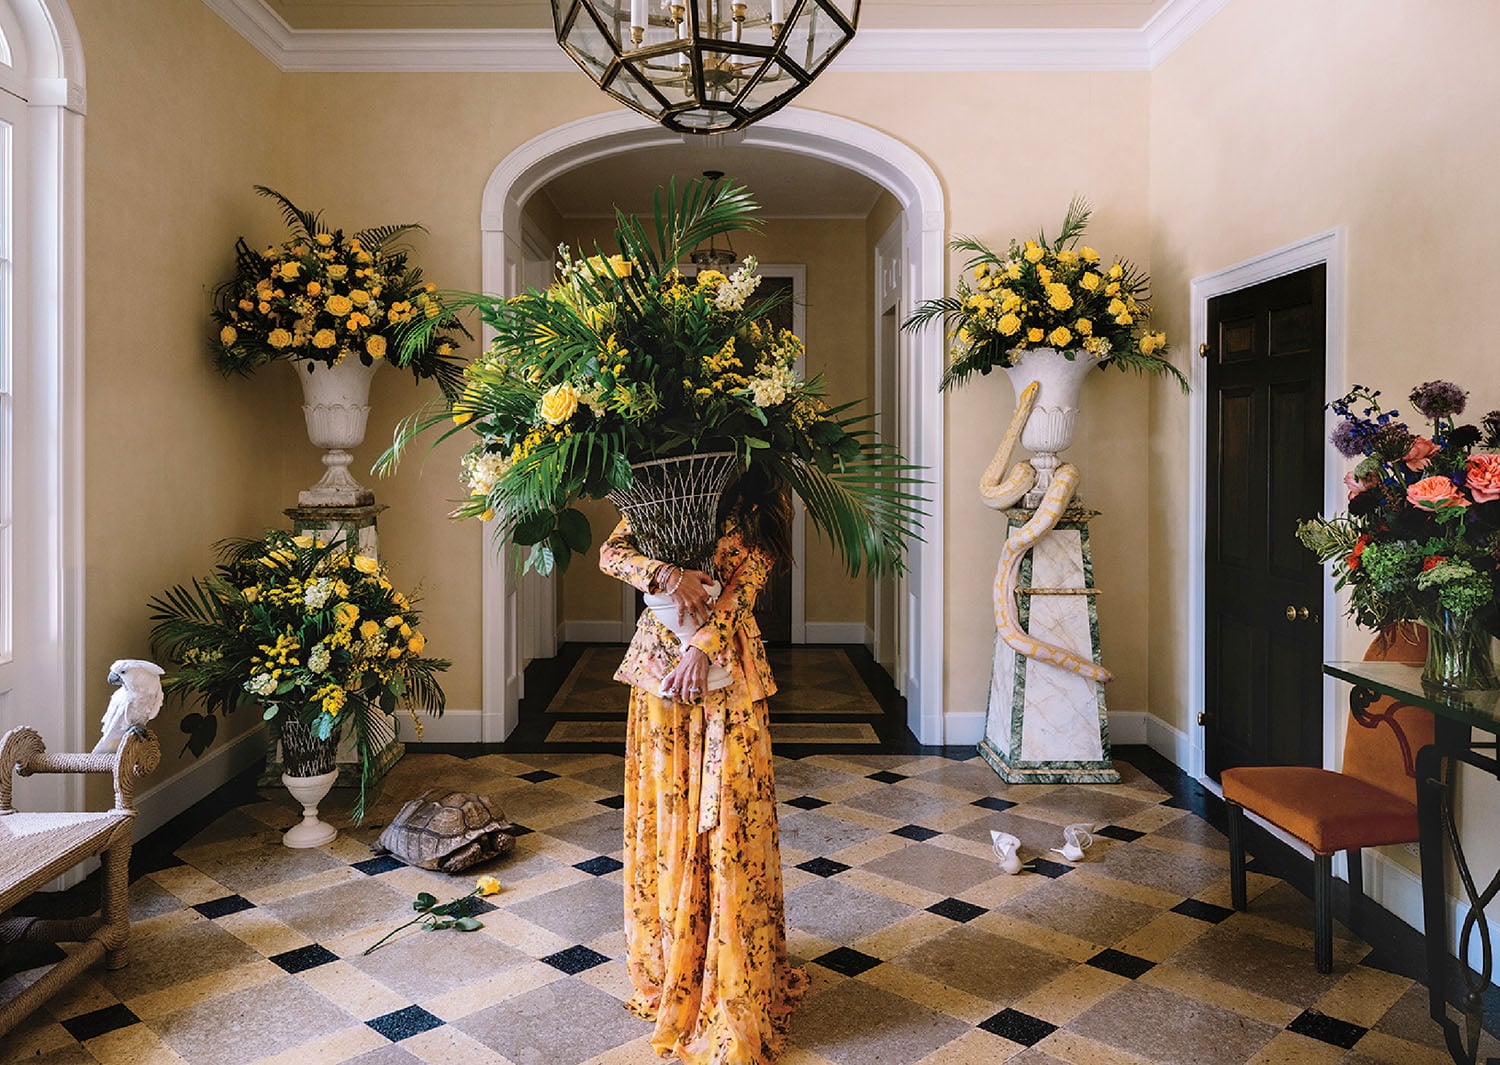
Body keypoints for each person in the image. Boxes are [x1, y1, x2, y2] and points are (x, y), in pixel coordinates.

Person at [599, 463, 806, 1065]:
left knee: (732, 822)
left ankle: (729, 973)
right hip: (658, 676)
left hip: (727, 678)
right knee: (668, 814)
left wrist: (702, 645)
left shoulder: (757, 507)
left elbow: (748, 585)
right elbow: (612, 554)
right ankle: (674, 962)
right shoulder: (661, 489)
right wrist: (667, 575)